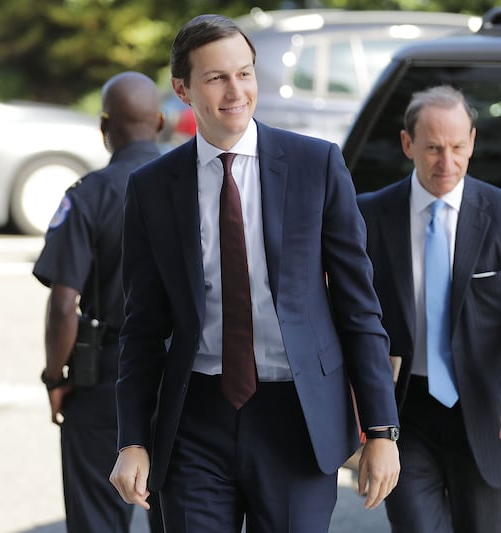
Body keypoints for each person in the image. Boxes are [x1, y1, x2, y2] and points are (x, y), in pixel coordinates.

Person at [108, 13, 400, 533]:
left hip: (297, 417)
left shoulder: (316, 165)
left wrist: (381, 429)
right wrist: (132, 439)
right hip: (196, 418)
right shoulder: (152, 188)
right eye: (216, 78)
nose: (236, 91)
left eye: (244, 73)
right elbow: (143, 327)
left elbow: (359, 306)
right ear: (182, 89)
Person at [356, 85, 501, 533]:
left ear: (472, 140)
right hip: (403, 414)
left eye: (456, 147)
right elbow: (346, 313)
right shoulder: (369, 215)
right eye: (433, 148)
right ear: (408, 144)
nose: (446, 163)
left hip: (486, 415)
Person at [33, 71, 165, 533]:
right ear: (160, 122)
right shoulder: (195, 185)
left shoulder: (90, 194)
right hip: (189, 373)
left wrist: (56, 377)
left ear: (105, 127)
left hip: (107, 376)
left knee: (97, 516)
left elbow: (63, 304)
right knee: (184, 513)